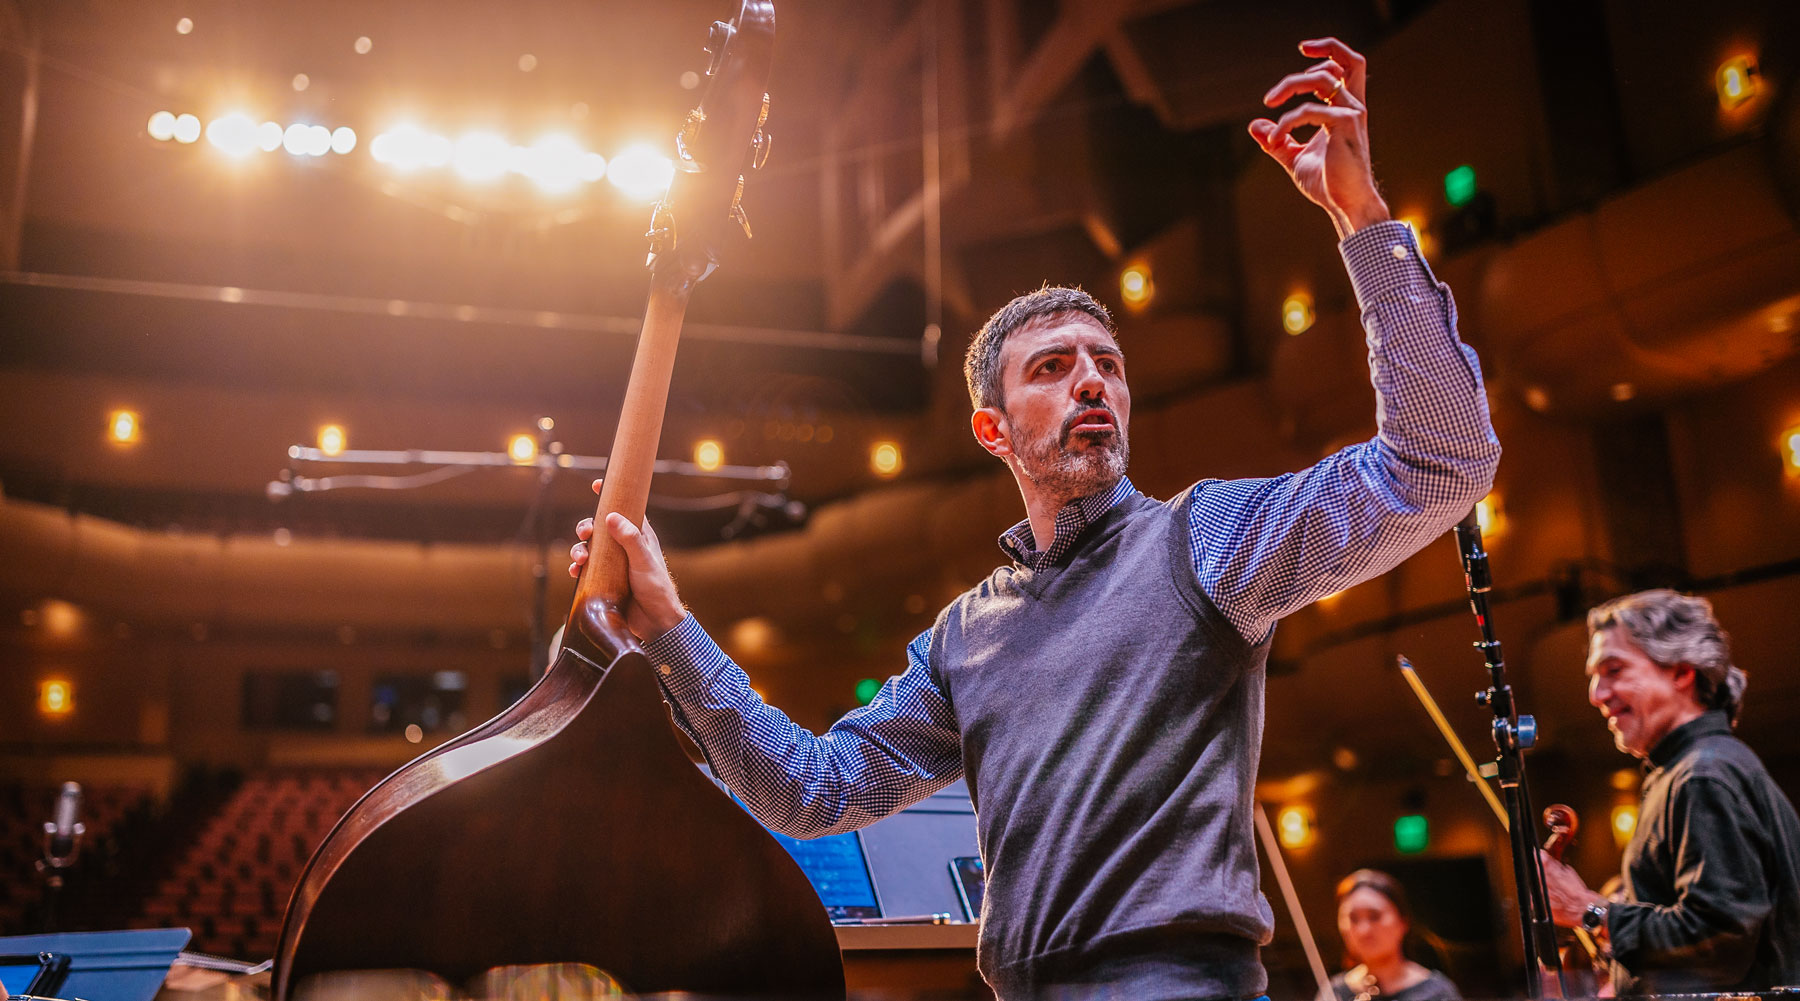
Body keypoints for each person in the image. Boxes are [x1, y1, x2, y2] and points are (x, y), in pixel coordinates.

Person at [572, 36, 1500, 1000]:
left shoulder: (1204, 541)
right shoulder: (964, 636)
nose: (1093, 380)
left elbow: (1442, 461)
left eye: (1108, 363)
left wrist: (1361, 216)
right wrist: (671, 631)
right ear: (993, 428)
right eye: (1053, 368)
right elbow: (811, 790)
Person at [1539, 589, 1800, 994]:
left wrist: (1587, 910)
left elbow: (1721, 942)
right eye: (1594, 676)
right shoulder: (1692, 769)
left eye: (1614, 670)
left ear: (1680, 672)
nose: (1596, 694)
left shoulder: (1702, 775)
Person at [1327, 870, 1461, 1001]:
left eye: (1374, 916)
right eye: (1353, 918)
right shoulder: (1336, 992)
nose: (1363, 930)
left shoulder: (1436, 992)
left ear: (1403, 922)